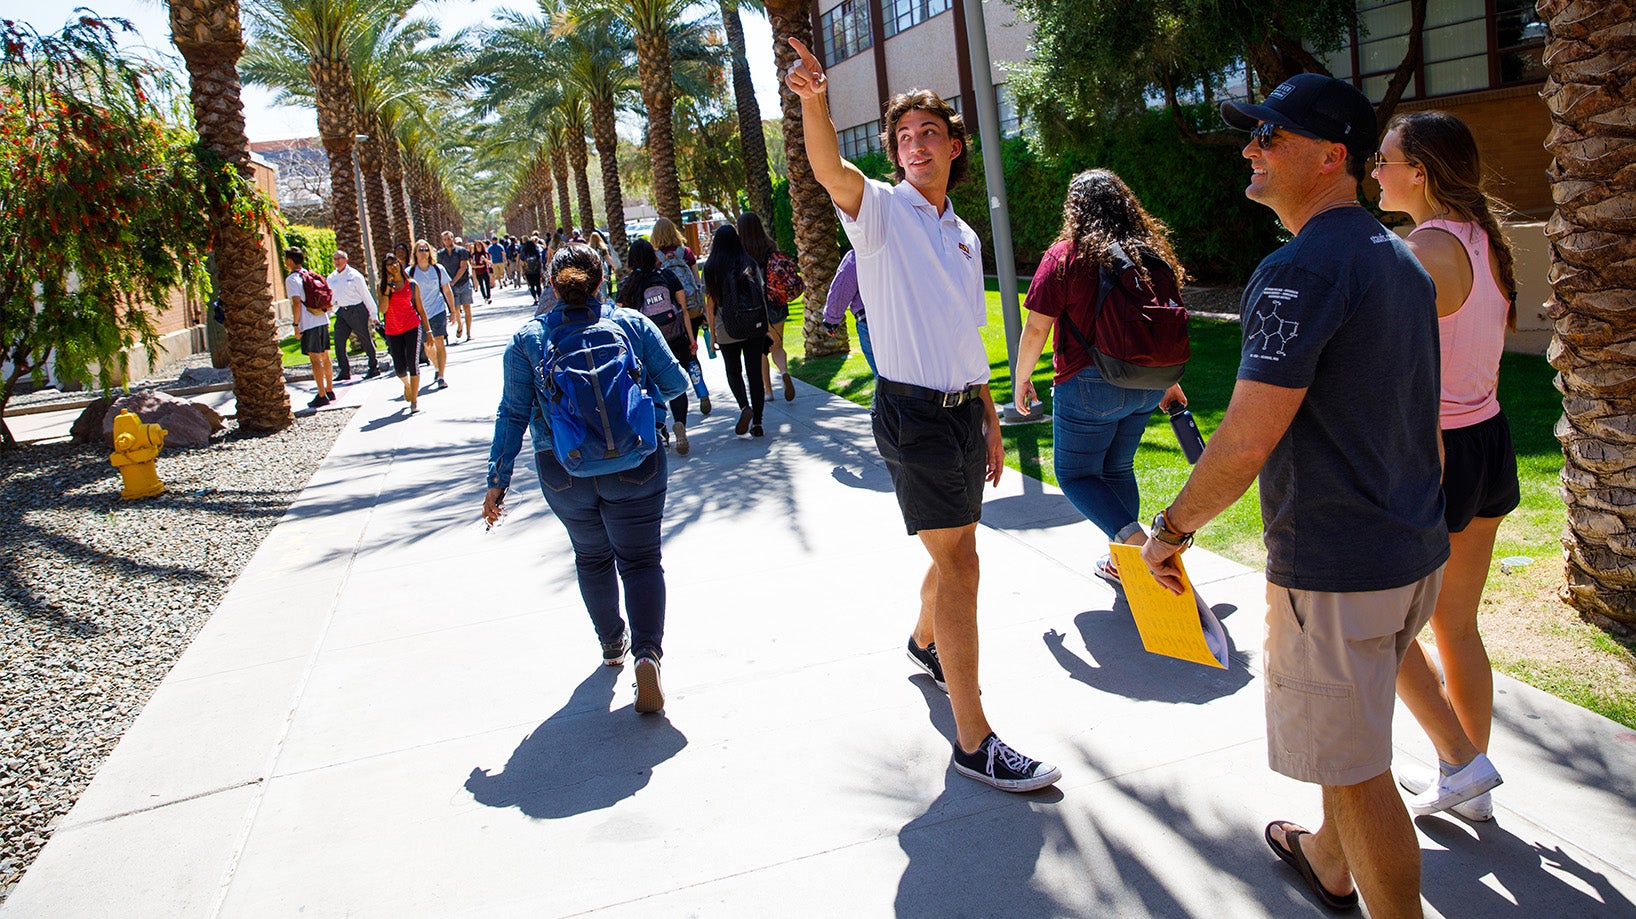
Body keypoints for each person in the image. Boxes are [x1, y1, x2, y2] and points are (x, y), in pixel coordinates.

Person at [1139, 74, 1448, 917]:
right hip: (1411, 551)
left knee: (1355, 771)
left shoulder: (1298, 268)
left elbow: (1243, 441)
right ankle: (1326, 862)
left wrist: (1166, 532)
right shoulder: (1401, 260)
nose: (1250, 148)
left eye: (1268, 137)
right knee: (1347, 739)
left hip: (1339, 568)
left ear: (1330, 156)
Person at [787, 39, 1060, 792]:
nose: (914, 145)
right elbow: (828, 171)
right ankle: (974, 740)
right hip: (910, 414)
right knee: (964, 563)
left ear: (954, 145)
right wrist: (816, 105)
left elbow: (961, 331)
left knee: (955, 549)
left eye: (928, 133)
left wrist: (990, 412)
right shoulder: (878, 210)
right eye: (903, 137)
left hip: (962, 413)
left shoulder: (964, 234)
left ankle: (921, 642)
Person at [1376, 110, 1515, 822]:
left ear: (1420, 172)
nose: (1374, 171)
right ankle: (1469, 781)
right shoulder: (1482, 237)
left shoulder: (1420, 249)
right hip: (1487, 439)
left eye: (1384, 159)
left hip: (1437, 454)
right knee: (1457, 626)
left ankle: (1459, 760)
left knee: (1381, 626)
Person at [483, 244, 688, 713]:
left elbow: (512, 414)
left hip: (563, 470)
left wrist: (498, 479)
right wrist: (643, 404)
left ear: (552, 287)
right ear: (601, 280)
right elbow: (675, 384)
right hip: (637, 463)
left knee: (591, 558)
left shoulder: (527, 340)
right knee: (640, 561)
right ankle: (647, 655)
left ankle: (612, 644)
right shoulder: (632, 325)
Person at [1012, 170, 1189, 584]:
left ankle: (1141, 549)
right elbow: (1162, 326)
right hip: (1148, 385)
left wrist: (1022, 378)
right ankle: (1120, 564)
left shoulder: (1066, 255)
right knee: (1116, 469)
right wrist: (1169, 381)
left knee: (1075, 475)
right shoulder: (1148, 254)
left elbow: (1037, 327)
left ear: (1075, 210)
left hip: (1089, 385)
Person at [620, 239, 694, 453]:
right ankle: (680, 423)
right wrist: (691, 339)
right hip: (676, 337)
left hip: (644, 345)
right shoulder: (668, 277)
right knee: (676, 381)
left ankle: (660, 430)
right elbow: (684, 308)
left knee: (649, 387)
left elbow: (619, 317)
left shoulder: (628, 285)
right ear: (654, 257)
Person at [702, 225, 770, 438]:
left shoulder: (711, 266)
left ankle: (744, 407)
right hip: (753, 326)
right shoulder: (748, 262)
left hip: (726, 329)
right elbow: (760, 294)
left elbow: (710, 305)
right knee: (754, 374)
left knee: (733, 371)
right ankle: (757, 422)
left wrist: (712, 336)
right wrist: (765, 326)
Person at [652, 216, 711, 416]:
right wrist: (702, 309)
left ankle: (678, 400)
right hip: (692, 310)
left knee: (673, 356)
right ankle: (701, 391)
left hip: (668, 315)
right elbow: (697, 282)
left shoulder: (656, 257)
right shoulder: (686, 253)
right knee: (692, 352)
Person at [736, 211, 797, 402]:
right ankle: (784, 371)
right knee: (777, 346)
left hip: (755, 309)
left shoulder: (741, 255)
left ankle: (768, 391)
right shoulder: (771, 249)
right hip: (776, 305)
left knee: (761, 350)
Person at [377, 253, 431, 413]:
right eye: (388, 264)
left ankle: (414, 400)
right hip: (393, 330)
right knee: (400, 369)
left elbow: (420, 309)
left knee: (413, 363)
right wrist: (387, 290)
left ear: (399, 264)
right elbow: (383, 309)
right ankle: (407, 385)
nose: (392, 266)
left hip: (412, 326)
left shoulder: (412, 284)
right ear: (385, 269)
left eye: (394, 262)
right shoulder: (382, 287)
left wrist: (428, 330)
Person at [283, 246, 335, 408]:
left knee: (314, 359)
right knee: (325, 356)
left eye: (286, 259)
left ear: (290, 261)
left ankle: (321, 395)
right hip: (322, 318)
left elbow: (297, 303)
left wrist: (296, 325)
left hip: (309, 322)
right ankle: (329, 389)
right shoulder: (309, 274)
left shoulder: (292, 279)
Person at [326, 250, 380, 381]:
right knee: (339, 341)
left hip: (357, 310)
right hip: (342, 311)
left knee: (365, 338)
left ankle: (374, 367)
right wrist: (327, 315)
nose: (337, 261)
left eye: (340, 258)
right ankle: (344, 371)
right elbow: (331, 299)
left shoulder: (355, 276)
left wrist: (374, 315)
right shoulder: (331, 278)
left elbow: (366, 296)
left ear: (346, 260)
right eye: (335, 258)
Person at [409, 238, 456, 389]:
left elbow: (447, 291)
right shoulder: (409, 272)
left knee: (439, 341)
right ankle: (437, 367)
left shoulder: (438, 269)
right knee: (428, 346)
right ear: (415, 253)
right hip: (420, 314)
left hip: (437, 310)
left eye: (426, 250)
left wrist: (453, 311)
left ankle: (441, 376)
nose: (423, 253)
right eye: (420, 250)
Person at [822, 248, 876, 375]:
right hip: (903, 321)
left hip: (868, 322)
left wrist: (831, 320)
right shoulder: (904, 251)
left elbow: (840, 289)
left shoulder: (857, 255)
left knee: (882, 378)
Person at [438, 231, 474, 341]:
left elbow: (463, 267)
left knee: (467, 307)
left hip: (463, 282)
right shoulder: (440, 254)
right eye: (445, 239)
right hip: (450, 285)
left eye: (449, 238)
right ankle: (459, 325)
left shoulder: (461, 251)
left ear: (452, 238)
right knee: (456, 308)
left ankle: (469, 333)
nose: (447, 241)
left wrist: (453, 281)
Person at [590, 230, 621, 300]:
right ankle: (604, 299)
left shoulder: (590, 249)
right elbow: (608, 258)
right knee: (604, 285)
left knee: (597, 287)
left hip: (594, 269)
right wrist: (614, 266)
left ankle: (599, 299)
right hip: (603, 268)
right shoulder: (602, 248)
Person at [520, 234, 544, 300]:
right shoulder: (536, 252)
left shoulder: (524, 253)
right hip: (536, 270)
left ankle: (534, 298)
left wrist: (523, 271)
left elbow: (522, 262)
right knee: (538, 284)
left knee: (531, 285)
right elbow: (539, 261)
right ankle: (539, 297)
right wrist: (541, 269)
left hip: (528, 271)